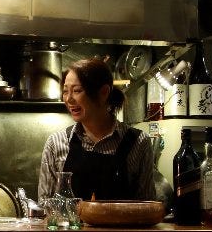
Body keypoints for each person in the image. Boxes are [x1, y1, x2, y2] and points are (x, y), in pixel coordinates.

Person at [38, 57, 155, 203]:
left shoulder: (139, 142)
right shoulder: (56, 143)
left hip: (122, 220)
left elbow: (147, 206)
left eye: (77, 90)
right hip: (71, 220)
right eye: (65, 91)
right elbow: (45, 204)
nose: (68, 99)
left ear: (104, 92)